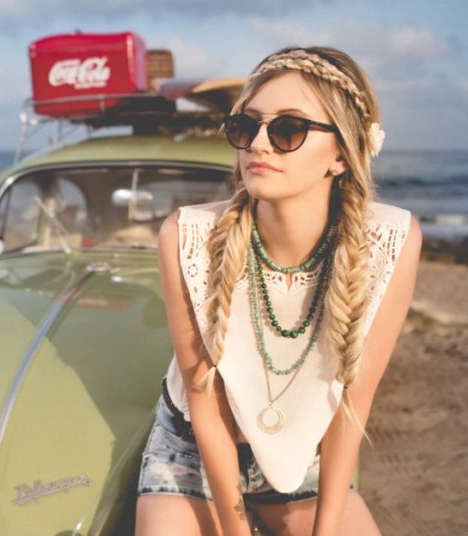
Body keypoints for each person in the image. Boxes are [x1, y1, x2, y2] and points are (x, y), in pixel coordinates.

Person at [135, 46, 422, 535]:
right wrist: (236, 531)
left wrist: (325, 529)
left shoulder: (392, 240)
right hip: (192, 450)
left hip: (302, 452)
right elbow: (208, 409)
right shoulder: (187, 236)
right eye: (247, 127)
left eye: (288, 129)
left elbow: (354, 406)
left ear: (340, 155)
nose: (259, 144)